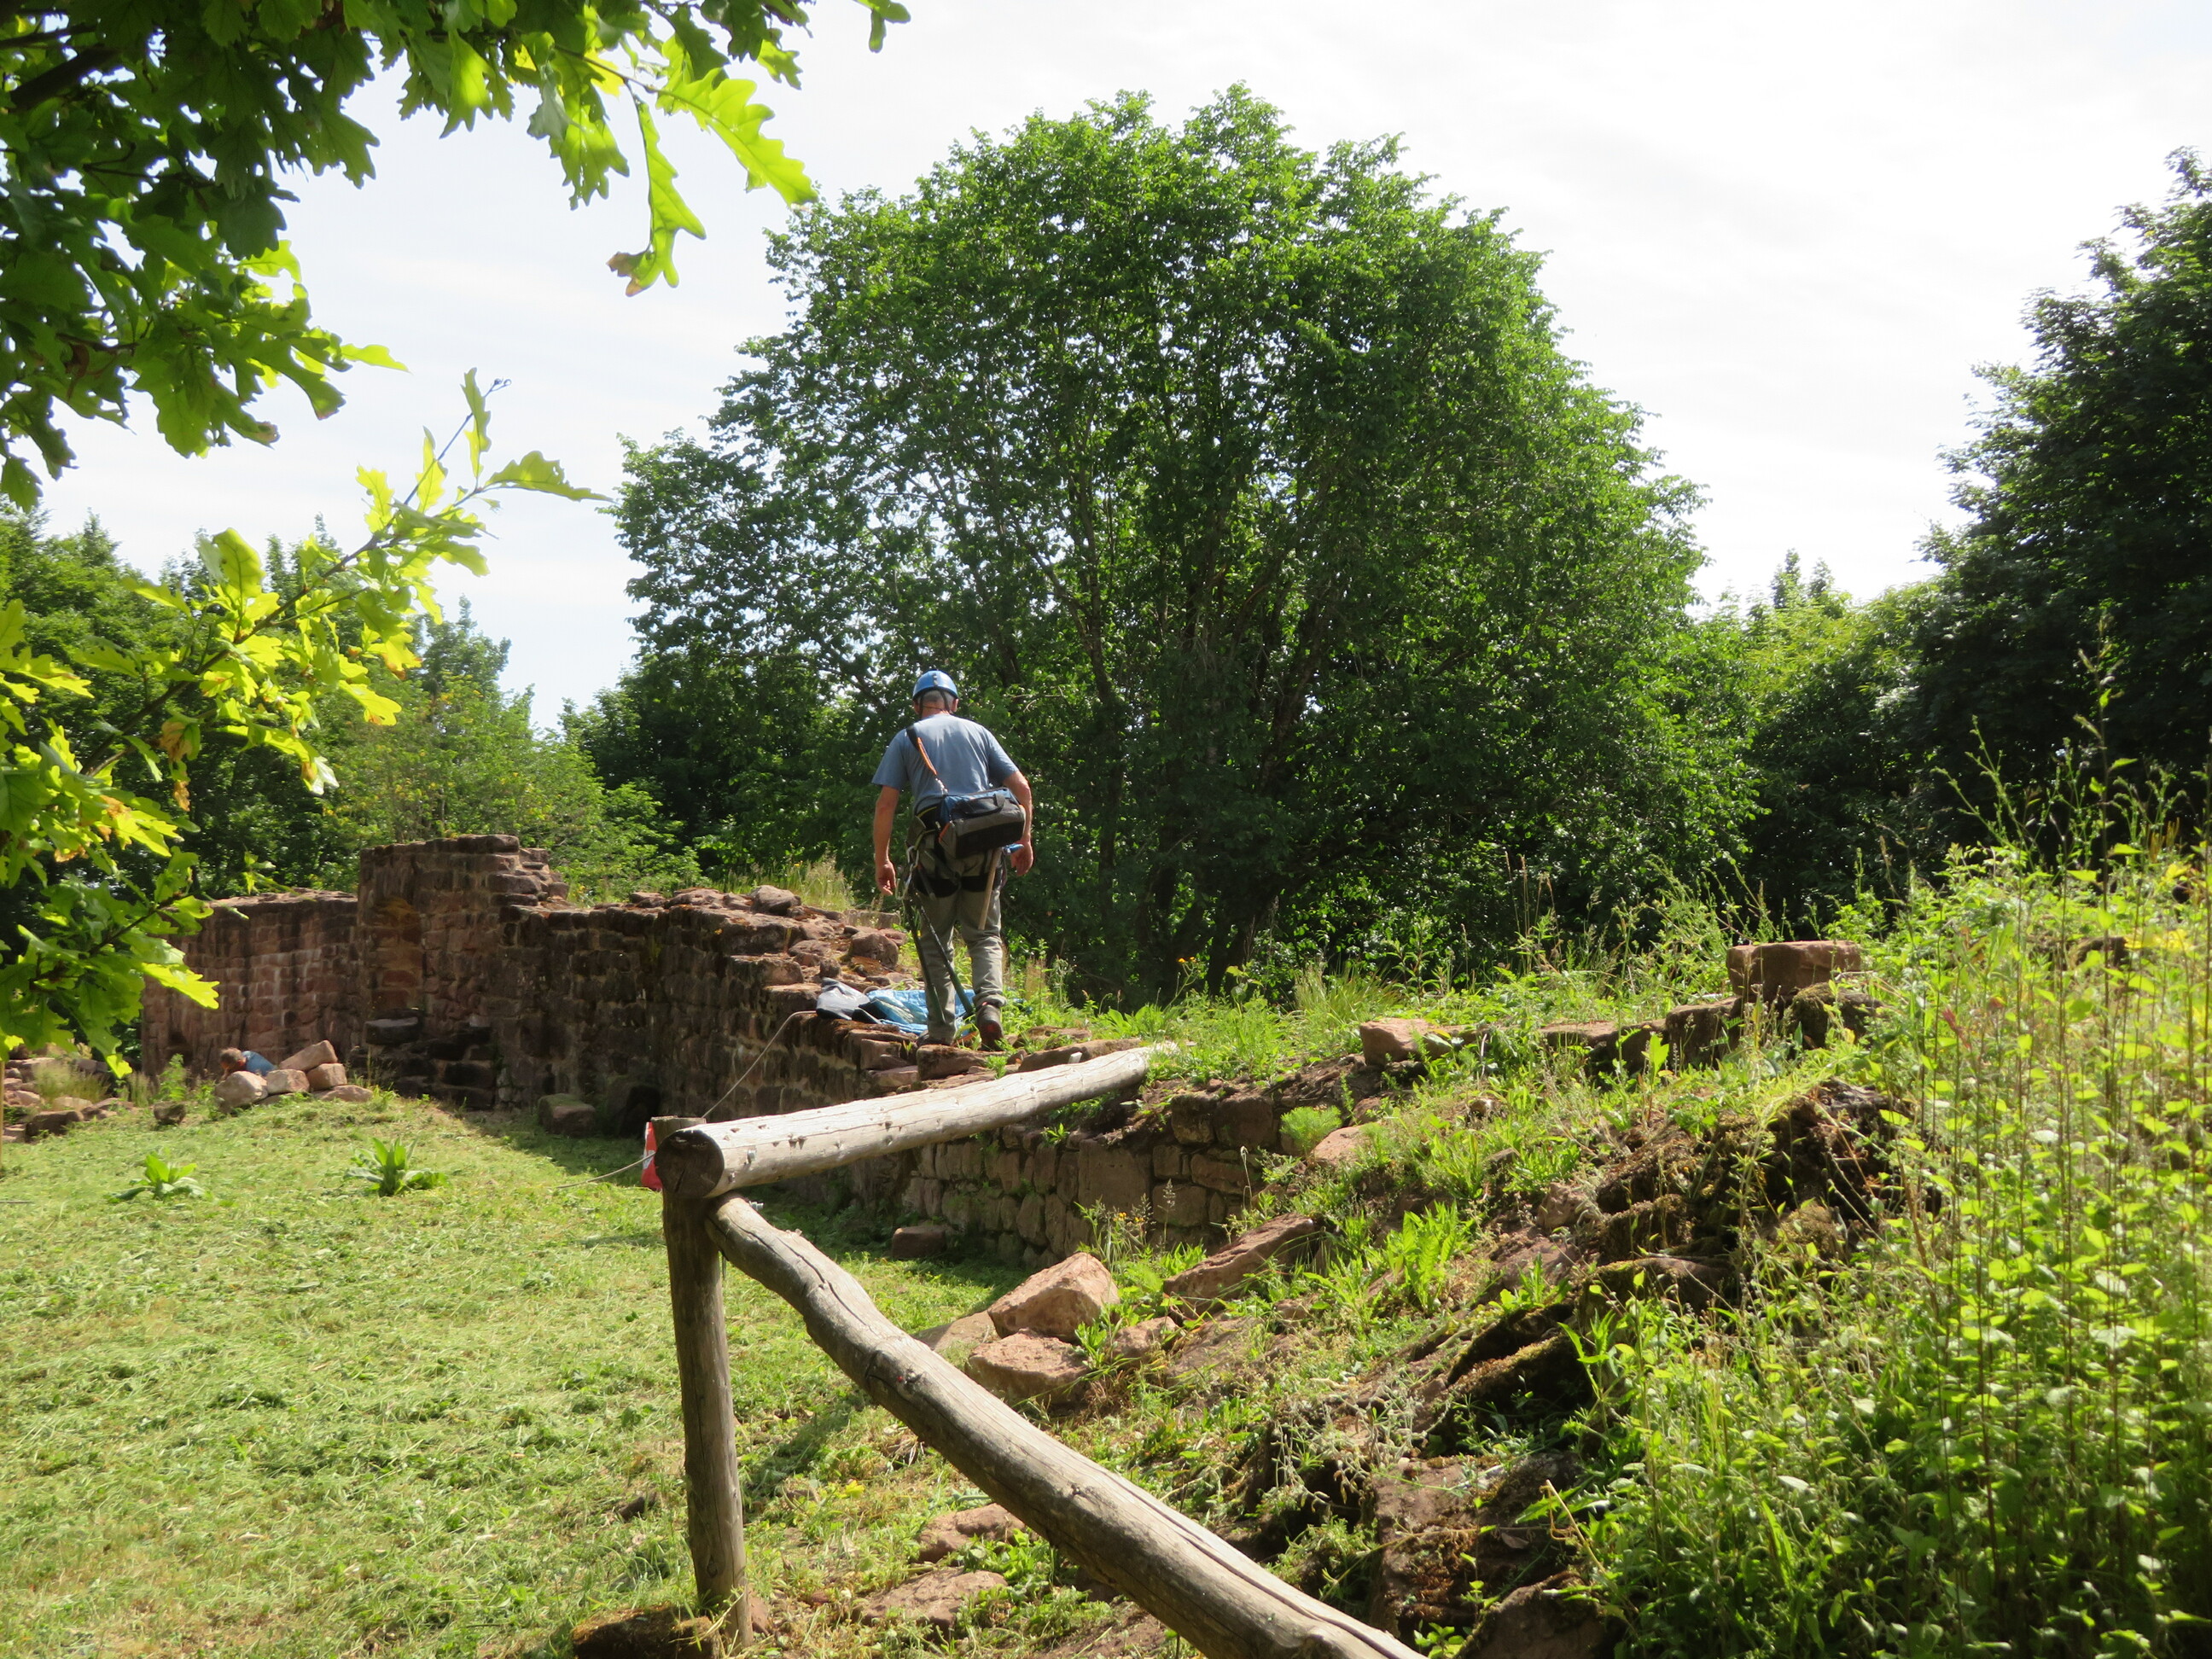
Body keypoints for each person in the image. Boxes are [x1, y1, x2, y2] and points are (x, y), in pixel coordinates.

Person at [871, 670, 1034, 1050]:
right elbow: (1022, 788)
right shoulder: (979, 733)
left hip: (936, 851)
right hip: (985, 850)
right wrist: (1023, 842)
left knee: (935, 941)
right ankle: (989, 1006)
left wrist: (883, 860)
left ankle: (942, 1031)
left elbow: (886, 805)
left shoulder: (907, 737)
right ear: (955, 703)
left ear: (917, 704)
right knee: (984, 934)